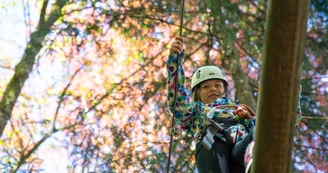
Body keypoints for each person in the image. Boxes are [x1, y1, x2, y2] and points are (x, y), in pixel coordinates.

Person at [166, 36, 302, 173]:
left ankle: (255, 162)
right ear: (197, 93)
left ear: (224, 89)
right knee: (214, 151)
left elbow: (282, 126)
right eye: (205, 87)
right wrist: (175, 64)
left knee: (260, 130)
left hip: (241, 151)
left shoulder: (240, 112)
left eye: (217, 85)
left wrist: (293, 99)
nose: (213, 89)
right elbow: (178, 102)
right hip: (212, 147)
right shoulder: (195, 111)